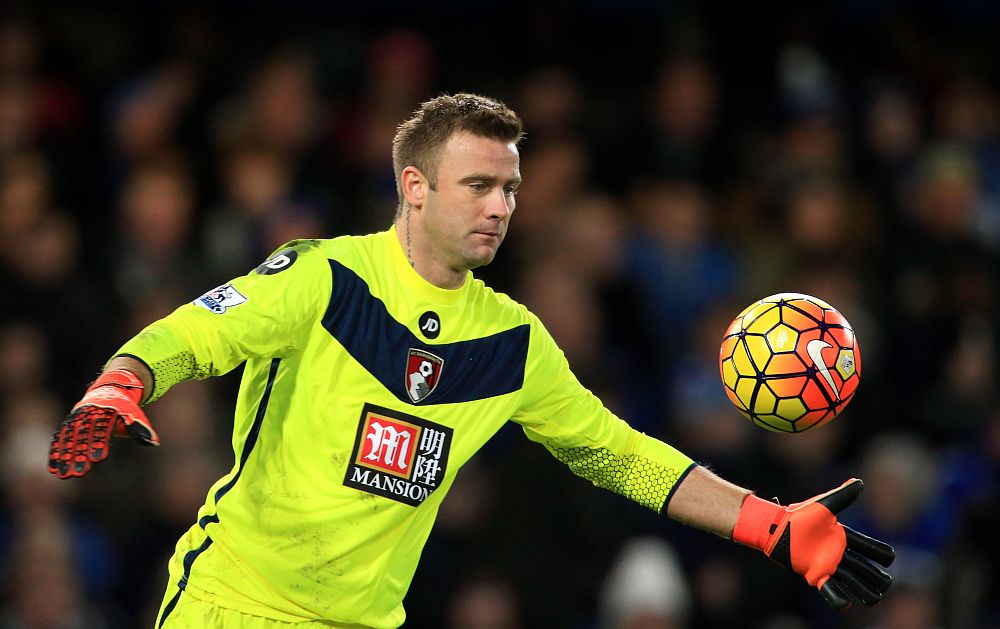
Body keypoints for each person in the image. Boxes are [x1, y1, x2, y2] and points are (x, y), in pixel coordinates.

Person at [48, 93, 895, 628]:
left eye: (512, 190)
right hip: (235, 605)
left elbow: (620, 451)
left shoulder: (513, 342)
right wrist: (124, 378)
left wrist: (766, 522)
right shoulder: (326, 276)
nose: (500, 207)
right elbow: (199, 331)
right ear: (414, 187)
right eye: (478, 186)